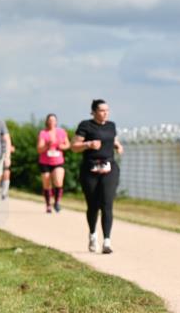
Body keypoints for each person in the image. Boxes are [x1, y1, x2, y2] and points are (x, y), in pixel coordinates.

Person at [72, 99, 123, 254]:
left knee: (107, 204)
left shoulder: (111, 125)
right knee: (93, 206)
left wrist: (118, 145)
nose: (105, 113)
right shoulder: (85, 125)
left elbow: (112, 139)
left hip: (109, 167)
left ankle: (107, 241)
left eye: (107, 110)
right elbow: (73, 146)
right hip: (90, 169)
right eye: (102, 110)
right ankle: (93, 234)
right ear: (93, 112)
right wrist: (88, 144)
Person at [37, 114, 69, 213]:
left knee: (59, 181)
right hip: (45, 162)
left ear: (56, 121)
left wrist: (60, 145)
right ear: (47, 121)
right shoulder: (43, 133)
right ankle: (48, 205)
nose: (51, 122)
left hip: (58, 161)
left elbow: (67, 145)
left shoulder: (61, 132)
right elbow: (39, 149)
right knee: (47, 183)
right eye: (49, 120)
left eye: (53, 120)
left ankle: (57, 202)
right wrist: (47, 145)